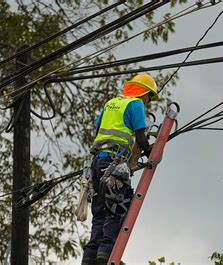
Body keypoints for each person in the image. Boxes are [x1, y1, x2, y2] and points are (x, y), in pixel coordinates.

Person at [81, 73, 158, 264]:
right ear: (145, 93)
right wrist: (150, 153)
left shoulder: (111, 103)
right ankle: (106, 254)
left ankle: (90, 257)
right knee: (116, 207)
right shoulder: (136, 104)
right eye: (149, 97)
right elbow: (140, 138)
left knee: (99, 211)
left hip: (97, 161)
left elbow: (99, 127)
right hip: (114, 162)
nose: (148, 102)